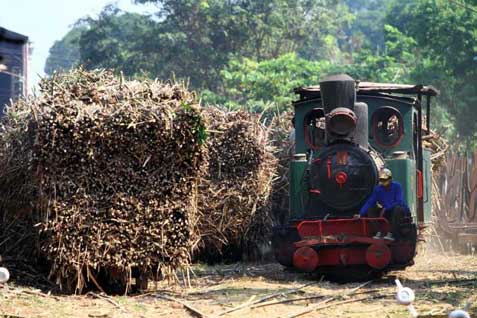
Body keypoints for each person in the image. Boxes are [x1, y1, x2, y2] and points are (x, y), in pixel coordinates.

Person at [358, 168, 410, 241]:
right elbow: (370, 202)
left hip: (398, 211)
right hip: (386, 211)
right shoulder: (378, 189)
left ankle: (391, 233)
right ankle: (378, 231)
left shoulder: (397, 186)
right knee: (371, 209)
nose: (384, 182)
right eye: (382, 180)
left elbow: (399, 201)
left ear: (390, 178)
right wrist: (360, 213)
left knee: (397, 209)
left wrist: (386, 208)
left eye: (385, 180)